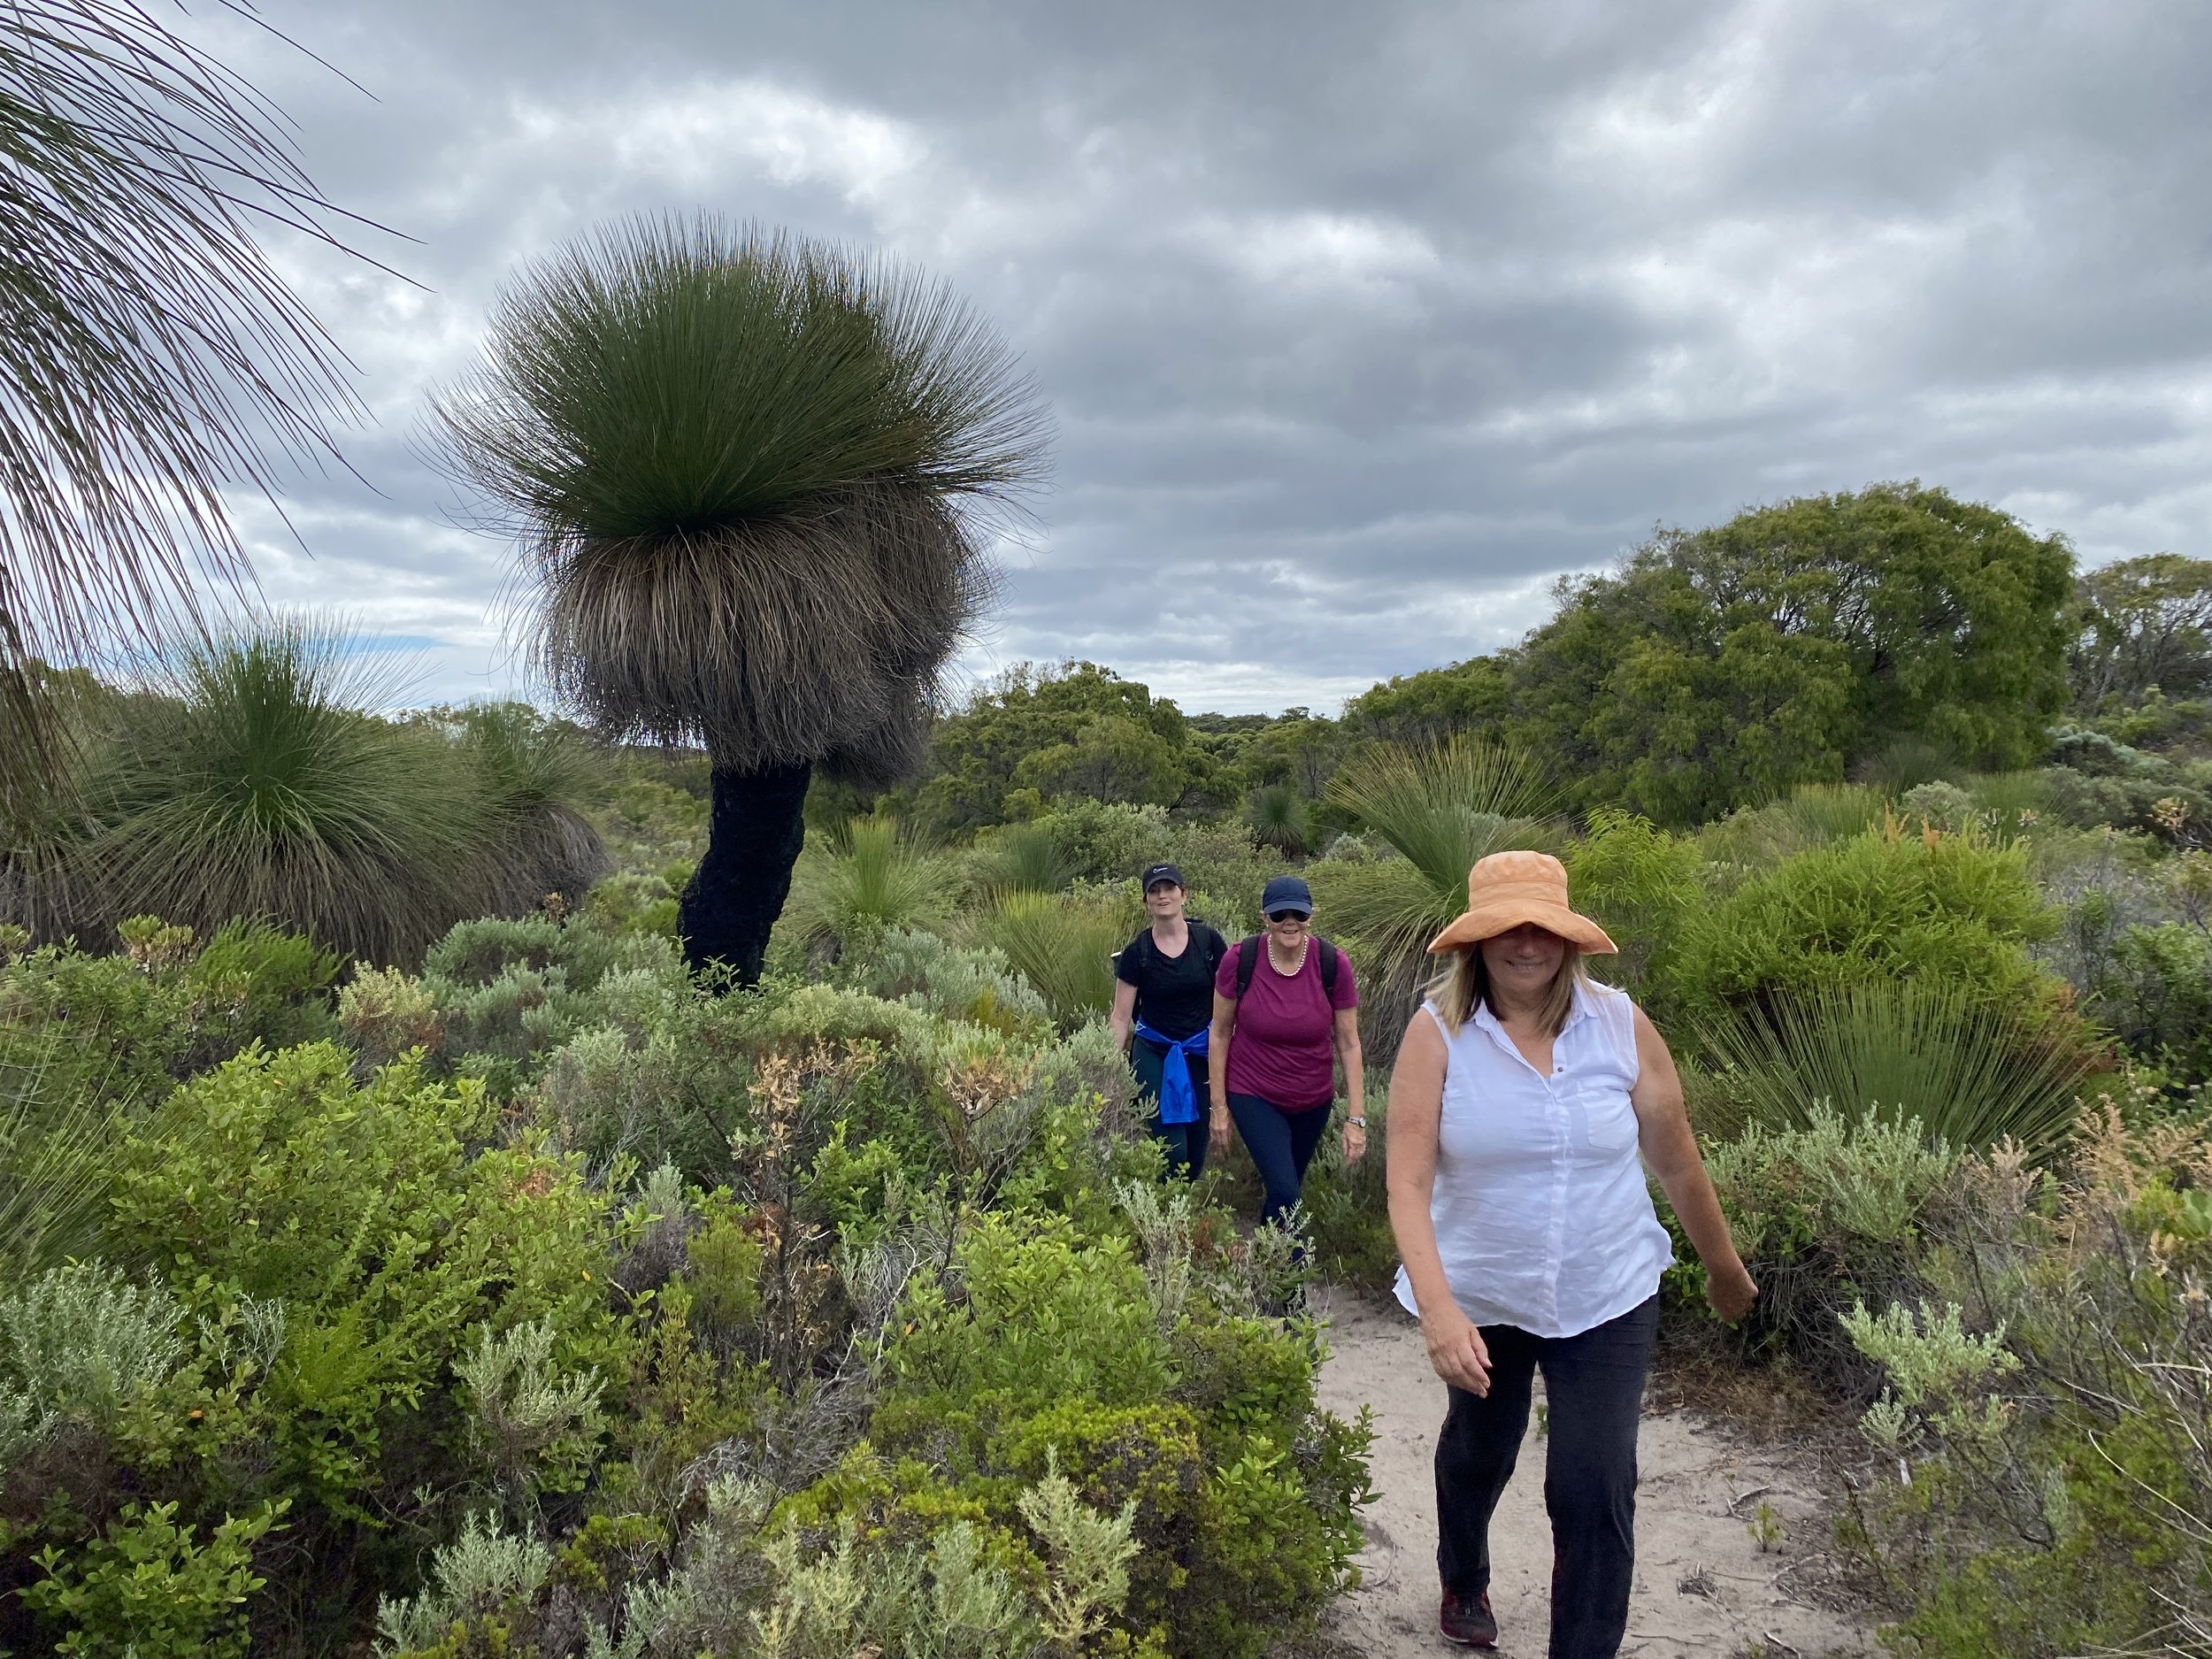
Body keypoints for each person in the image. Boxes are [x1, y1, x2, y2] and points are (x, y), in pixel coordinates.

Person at [1386, 849, 1757, 1657]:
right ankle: (1464, 1573)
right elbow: (1407, 1184)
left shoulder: (1621, 1025)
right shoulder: (1437, 1034)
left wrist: (1723, 1266)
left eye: (1543, 927)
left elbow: (1676, 1158)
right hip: (1484, 1291)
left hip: (1607, 1288)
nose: (1527, 944)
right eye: (1506, 929)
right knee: (1480, 1452)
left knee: (1593, 1485)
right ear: (1476, 942)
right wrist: (1440, 1312)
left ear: (1569, 937)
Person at [1207, 873, 1365, 1227]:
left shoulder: (1331, 963)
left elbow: (1349, 1042)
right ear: (1265, 918)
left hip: (1313, 1099)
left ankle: (1265, 1264)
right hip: (1253, 1092)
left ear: (1311, 916)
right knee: (1286, 1190)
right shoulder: (1241, 960)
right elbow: (1218, 1033)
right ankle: (1289, 1281)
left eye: (1298, 914)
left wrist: (1356, 1119)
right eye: (1279, 915)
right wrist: (1218, 1108)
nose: (1289, 922)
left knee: (1286, 1189)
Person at [1110, 864, 1229, 1179]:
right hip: (1154, 1052)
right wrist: (1107, 1069)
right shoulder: (1138, 953)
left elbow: (1231, 1004)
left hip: (1202, 1052)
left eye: (1169, 888)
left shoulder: (1208, 943)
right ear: (1145, 901)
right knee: (1172, 1146)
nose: (1162, 896)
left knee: (1197, 1142)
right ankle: (1163, 1212)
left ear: (1183, 894)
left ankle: (1182, 1209)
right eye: (1154, 891)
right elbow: (1121, 1017)